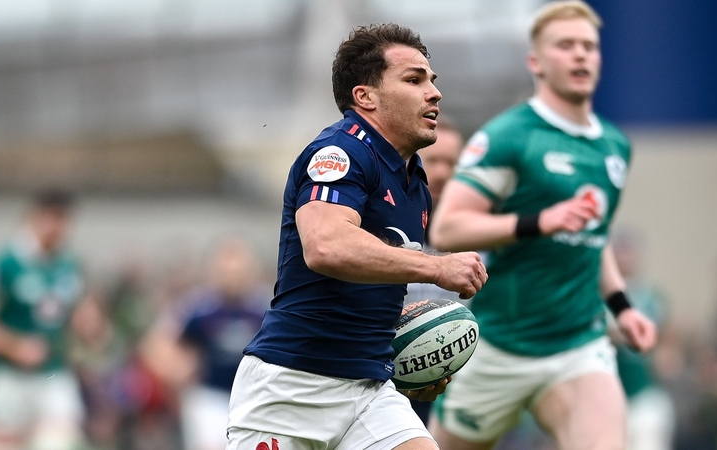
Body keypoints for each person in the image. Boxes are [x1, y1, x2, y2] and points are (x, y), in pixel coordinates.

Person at [226, 23, 487, 450]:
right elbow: (326, 246)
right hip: (292, 387)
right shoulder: (341, 152)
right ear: (365, 96)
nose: (434, 92)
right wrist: (438, 267)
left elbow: (375, 285)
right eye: (414, 79)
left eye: (432, 81)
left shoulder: (414, 181)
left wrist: (411, 357)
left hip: (369, 390)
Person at [426, 2, 658, 450]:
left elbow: (593, 237)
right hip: (497, 345)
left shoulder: (615, 145)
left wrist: (623, 306)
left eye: (589, 46)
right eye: (566, 45)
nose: (580, 56)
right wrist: (540, 222)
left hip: (578, 345)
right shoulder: (508, 136)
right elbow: (448, 229)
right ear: (536, 62)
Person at [0, 190, 87, 450]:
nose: (58, 229)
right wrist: (14, 346)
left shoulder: (69, 264)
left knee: (62, 441)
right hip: (9, 377)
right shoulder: (4, 263)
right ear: (35, 218)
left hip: (53, 373)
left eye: (63, 221)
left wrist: (86, 325)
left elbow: (75, 313)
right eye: (53, 219)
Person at [176, 240, 268, 450]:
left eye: (238, 272)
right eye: (227, 272)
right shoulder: (201, 310)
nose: (232, 278)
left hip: (252, 398)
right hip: (211, 396)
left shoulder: (264, 310)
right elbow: (178, 345)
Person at [403, 117, 464, 425]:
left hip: (457, 387)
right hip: (386, 380)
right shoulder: (389, 224)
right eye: (434, 161)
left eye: (453, 163)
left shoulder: (479, 234)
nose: (443, 173)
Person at [609, 228, 675, 450]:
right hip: (608, 392)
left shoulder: (651, 296)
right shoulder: (598, 295)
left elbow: (668, 340)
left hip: (643, 389)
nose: (624, 258)